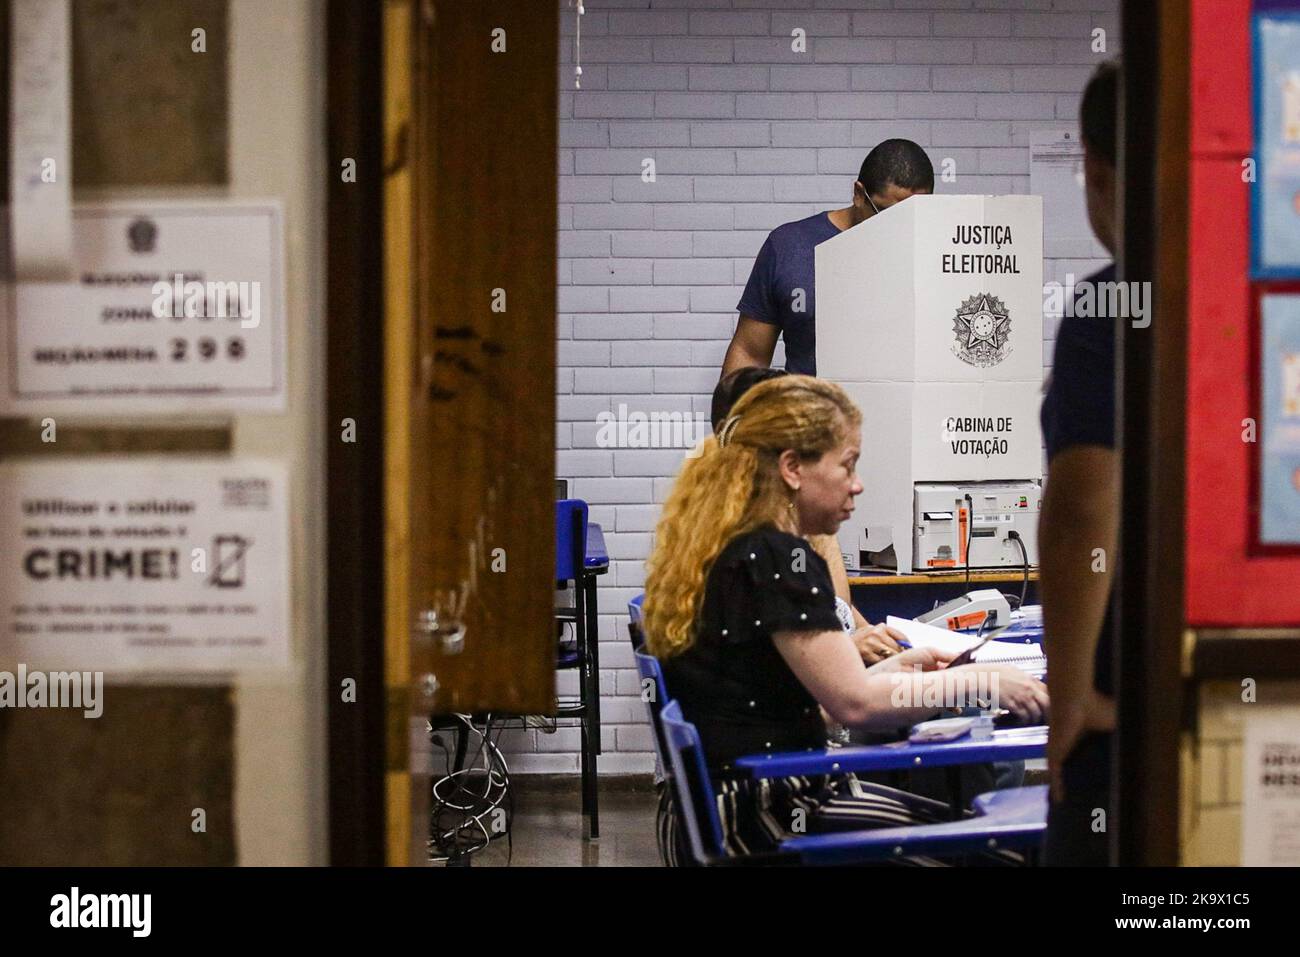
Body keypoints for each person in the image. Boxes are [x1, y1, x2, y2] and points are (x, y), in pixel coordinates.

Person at [644, 374, 1048, 859]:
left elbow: (795, 697)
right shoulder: (777, 559)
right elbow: (854, 707)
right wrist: (983, 681)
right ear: (793, 468)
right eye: (848, 465)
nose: (857, 485)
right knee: (1005, 853)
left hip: (727, 811)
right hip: (769, 817)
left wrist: (884, 672)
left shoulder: (732, 549)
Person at [1038, 59, 1121, 866]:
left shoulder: (1108, 310)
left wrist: (1072, 695)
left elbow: (1084, 510)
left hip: (1126, 707)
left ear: (1094, 169)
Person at [710, 365, 906, 663]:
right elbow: (845, 701)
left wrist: (888, 649)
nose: (856, 484)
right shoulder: (762, 551)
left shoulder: (779, 536)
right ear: (788, 463)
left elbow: (839, 611)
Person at [721, 139, 934, 378]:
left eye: (912, 214)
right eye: (887, 214)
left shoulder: (940, 255)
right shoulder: (789, 246)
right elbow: (750, 353)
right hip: (811, 411)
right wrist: (733, 414)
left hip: (902, 413)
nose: (899, 226)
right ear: (859, 195)